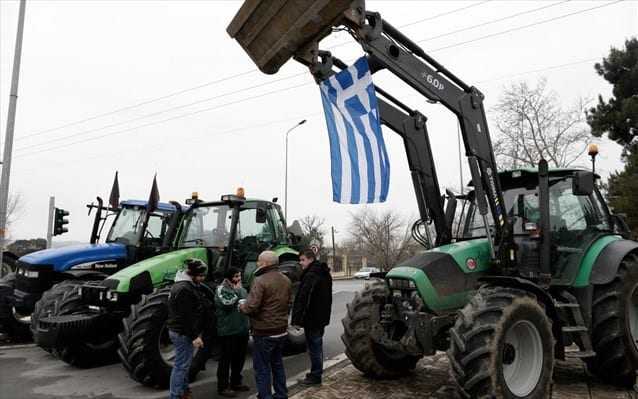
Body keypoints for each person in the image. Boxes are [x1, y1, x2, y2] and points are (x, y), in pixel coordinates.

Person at [239, 250, 292, 399]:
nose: (257, 264)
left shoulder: (260, 280)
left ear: (266, 263)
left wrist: (241, 306)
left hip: (264, 331)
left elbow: (252, 307)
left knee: (262, 368)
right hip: (281, 329)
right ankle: (281, 394)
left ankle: (265, 396)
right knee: (277, 364)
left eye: (259, 261)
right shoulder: (286, 279)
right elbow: (288, 303)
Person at [166, 258, 207, 399]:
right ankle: (175, 395)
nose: (202, 278)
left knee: (183, 364)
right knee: (181, 366)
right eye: (200, 276)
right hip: (182, 332)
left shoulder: (179, 285)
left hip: (177, 330)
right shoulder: (185, 289)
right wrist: (195, 336)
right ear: (192, 274)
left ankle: (183, 391)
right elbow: (186, 317)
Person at [291, 249, 333, 385]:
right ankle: (316, 373)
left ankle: (315, 376)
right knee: (317, 346)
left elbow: (304, 298)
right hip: (321, 317)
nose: (300, 263)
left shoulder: (311, 275)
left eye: (303, 260)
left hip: (312, 318)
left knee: (314, 348)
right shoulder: (323, 272)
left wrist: (297, 320)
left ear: (310, 259)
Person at [214, 267, 250, 398]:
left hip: (242, 329)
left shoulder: (240, 289)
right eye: (236, 276)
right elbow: (227, 303)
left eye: (239, 276)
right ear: (228, 278)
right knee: (225, 360)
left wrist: (240, 291)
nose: (238, 279)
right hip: (228, 331)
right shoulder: (221, 289)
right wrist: (239, 291)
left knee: (239, 359)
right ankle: (223, 386)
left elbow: (247, 301)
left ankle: (236, 382)